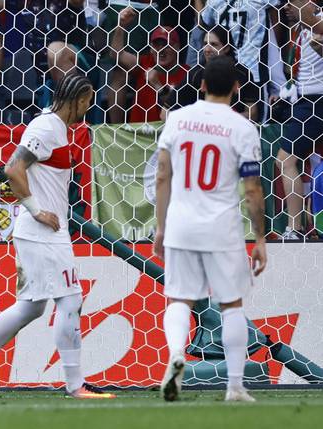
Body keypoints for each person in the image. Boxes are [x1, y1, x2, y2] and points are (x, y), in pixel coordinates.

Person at [0, 74, 115, 400]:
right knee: (70, 300)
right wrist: (37, 209)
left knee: (31, 307)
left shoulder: (57, 128)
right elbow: (13, 169)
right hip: (43, 232)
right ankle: (75, 385)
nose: (89, 105)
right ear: (79, 99)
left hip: (42, 233)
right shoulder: (46, 127)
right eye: (88, 99)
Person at [153, 56, 267, 402]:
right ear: (236, 88)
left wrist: (161, 227)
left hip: (182, 224)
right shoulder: (243, 128)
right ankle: (234, 386)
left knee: (179, 299)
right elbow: (251, 188)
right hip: (222, 227)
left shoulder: (177, 119)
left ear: (201, 85)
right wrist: (260, 238)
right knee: (231, 305)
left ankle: (175, 354)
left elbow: (162, 173)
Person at [275, 0, 323, 239]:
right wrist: (286, 93)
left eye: (292, 1)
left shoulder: (318, 20)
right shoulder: (301, 27)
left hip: (316, 101)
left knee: (285, 160)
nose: (286, 6)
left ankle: (294, 228)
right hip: (303, 100)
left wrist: (310, 20)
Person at [162, 26, 259, 120]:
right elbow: (165, 113)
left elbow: (253, 114)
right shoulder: (195, 74)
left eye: (214, 44)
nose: (207, 49)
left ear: (226, 48)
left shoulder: (242, 73)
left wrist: (224, 121)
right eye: (205, 44)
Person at [109, 7, 188, 123]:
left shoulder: (187, 74)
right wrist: (121, 26)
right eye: (157, 45)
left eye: (166, 45)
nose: (161, 50)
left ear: (177, 47)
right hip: (138, 136)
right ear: (151, 49)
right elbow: (116, 54)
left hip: (167, 135)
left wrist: (158, 86)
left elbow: (179, 112)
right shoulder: (145, 63)